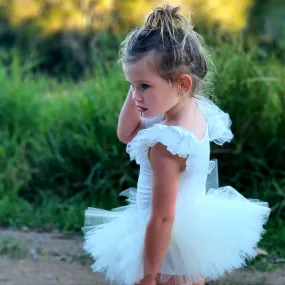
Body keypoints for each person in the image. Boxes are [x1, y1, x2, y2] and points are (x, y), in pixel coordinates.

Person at [82, 4, 270, 285]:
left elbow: (161, 219)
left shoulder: (167, 144)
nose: (135, 96)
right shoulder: (191, 108)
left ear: (181, 84)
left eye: (144, 86)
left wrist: (148, 275)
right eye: (131, 85)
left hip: (163, 248)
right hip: (189, 236)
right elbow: (126, 132)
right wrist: (140, 84)